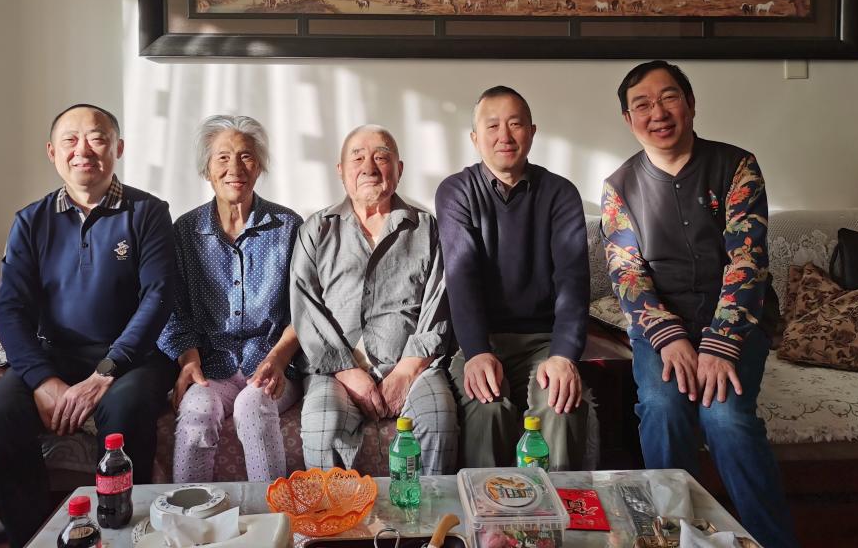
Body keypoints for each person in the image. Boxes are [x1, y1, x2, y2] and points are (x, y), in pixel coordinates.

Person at [601, 60, 797, 548]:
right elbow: (627, 274)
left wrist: (720, 343)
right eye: (642, 105)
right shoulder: (619, 187)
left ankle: (772, 540)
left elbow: (748, 261)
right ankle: (673, 537)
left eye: (669, 97)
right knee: (662, 407)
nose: (658, 113)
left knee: (724, 417)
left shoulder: (737, 166)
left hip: (733, 321)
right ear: (628, 119)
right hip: (661, 329)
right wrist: (668, 338)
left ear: (690, 104)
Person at [0, 104, 178, 548]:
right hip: (55, 354)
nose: (84, 150)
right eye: (70, 140)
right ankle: (36, 538)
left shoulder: (148, 212)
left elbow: (158, 297)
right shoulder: (31, 220)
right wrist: (44, 381)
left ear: (118, 148)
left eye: (97, 138)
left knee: (124, 412)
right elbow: (11, 309)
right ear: (52, 152)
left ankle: (121, 535)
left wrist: (105, 372)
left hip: (131, 358)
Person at [436, 86, 591, 469]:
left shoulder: (560, 193)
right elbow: (461, 278)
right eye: (492, 126)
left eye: (515, 124)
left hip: (544, 341)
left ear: (532, 132)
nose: (504, 136)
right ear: (475, 138)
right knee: (486, 406)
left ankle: (556, 506)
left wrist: (563, 356)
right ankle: (485, 507)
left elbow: (573, 282)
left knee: (560, 405)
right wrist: (477, 352)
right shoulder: (456, 191)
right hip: (482, 338)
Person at [291, 125, 457, 473]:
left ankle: (427, 510)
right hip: (335, 371)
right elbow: (306, 308)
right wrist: (348, 371)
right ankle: (338, 511)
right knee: (322, 428)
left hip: (415, 365)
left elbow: (438, 304)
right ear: (341, 170)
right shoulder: (317, 229)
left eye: (381, 157)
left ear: (399, 168)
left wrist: (407, 371)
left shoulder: (427, 228)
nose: (369, 167)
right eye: (358, 158)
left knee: (438, 419)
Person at [157, 115, 303, 482]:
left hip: (271, 361)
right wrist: (189, 360)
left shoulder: (288, 226)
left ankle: (272, 512)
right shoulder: (186, 231)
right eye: (222, 157)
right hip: (212, 365)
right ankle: (190, 512)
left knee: (253, 407)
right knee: (196, 411)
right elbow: (174, 309)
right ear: (206, 170)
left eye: (246, 156)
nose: (234, 168)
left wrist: (277, 359)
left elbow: (305, 310)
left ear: (259, 167)